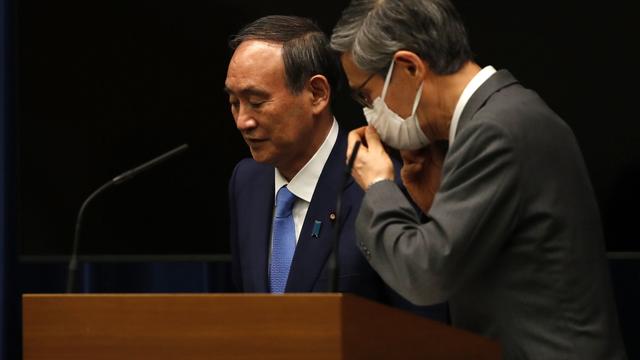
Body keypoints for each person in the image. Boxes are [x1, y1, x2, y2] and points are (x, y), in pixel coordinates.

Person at [330, 0, 626, 358]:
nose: (369, 112)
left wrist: (378, 187)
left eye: (365, 93)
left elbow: (426, 275)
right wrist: (437, 206)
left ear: (408, 67)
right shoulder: (505, 114)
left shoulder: (494, 131)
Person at [225, 15, 447, 321]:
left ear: (317, 94)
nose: (242, 121)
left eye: (256, 101)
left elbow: (427, 331)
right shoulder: (246, 181)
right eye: (234, 102)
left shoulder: (383, 186)